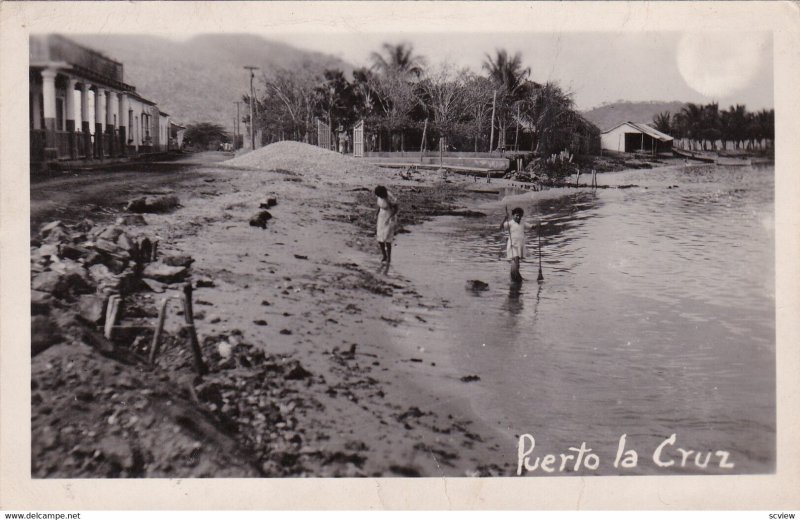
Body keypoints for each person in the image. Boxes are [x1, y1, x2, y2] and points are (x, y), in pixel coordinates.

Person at [374, 185, 399, 272]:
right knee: (380, 237)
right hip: (381, 216)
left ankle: (389, 258)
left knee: (388, 238)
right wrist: (376, 213)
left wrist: (390, 218)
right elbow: (379, 206)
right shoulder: (379, 196)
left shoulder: (389, 198)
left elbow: (396, 209)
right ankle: (384, 255)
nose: (378, 197)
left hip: (389, 217)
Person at [500, 207, 528, 283]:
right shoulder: (510, 223)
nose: (518, 217)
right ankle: (514, 275)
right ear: (513, 215)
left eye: (520, 216)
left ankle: (514, 275)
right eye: (517, 215)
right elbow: (501, 227)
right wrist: (504, 219)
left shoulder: (522, 223)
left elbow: (531, 227)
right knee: (515, 259)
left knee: (517, 261)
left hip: (520, 245)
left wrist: (537, 226)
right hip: (512, 245)